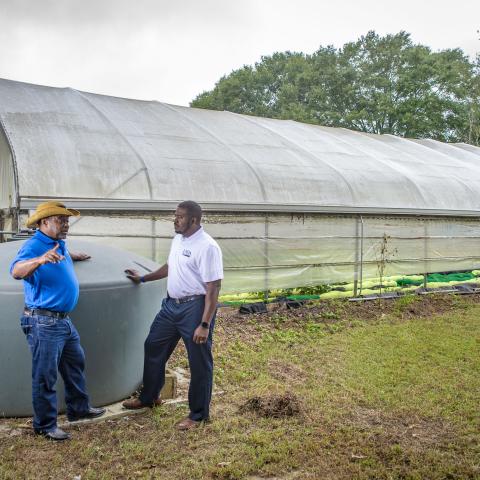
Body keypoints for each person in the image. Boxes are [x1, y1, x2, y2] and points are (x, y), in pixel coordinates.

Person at [123, 200, 223, 431]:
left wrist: (204, 324)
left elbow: (214, 288)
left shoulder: (207, 247)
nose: (174, 220)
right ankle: (150, 396)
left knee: (199, 362)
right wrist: (144, 278)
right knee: (153, 345)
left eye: (179, 216)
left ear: (194, 220)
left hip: (195, 308)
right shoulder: (179, 239)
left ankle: (198, 415)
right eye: (175, 216)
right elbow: (171, 266)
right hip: (171, 306)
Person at [10, 201, 106, 441]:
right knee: (45, 375)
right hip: (43, 321)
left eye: (67, 221)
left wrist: (71, 256)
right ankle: (44, 425)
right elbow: (16, 270)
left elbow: (59, 257)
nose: (66, 225)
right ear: (44, 222)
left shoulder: (58, 244)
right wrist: (41, 260)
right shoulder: (34, 246)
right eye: (60, 220)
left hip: (62, 321)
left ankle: (78, 409)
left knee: (75, 362)